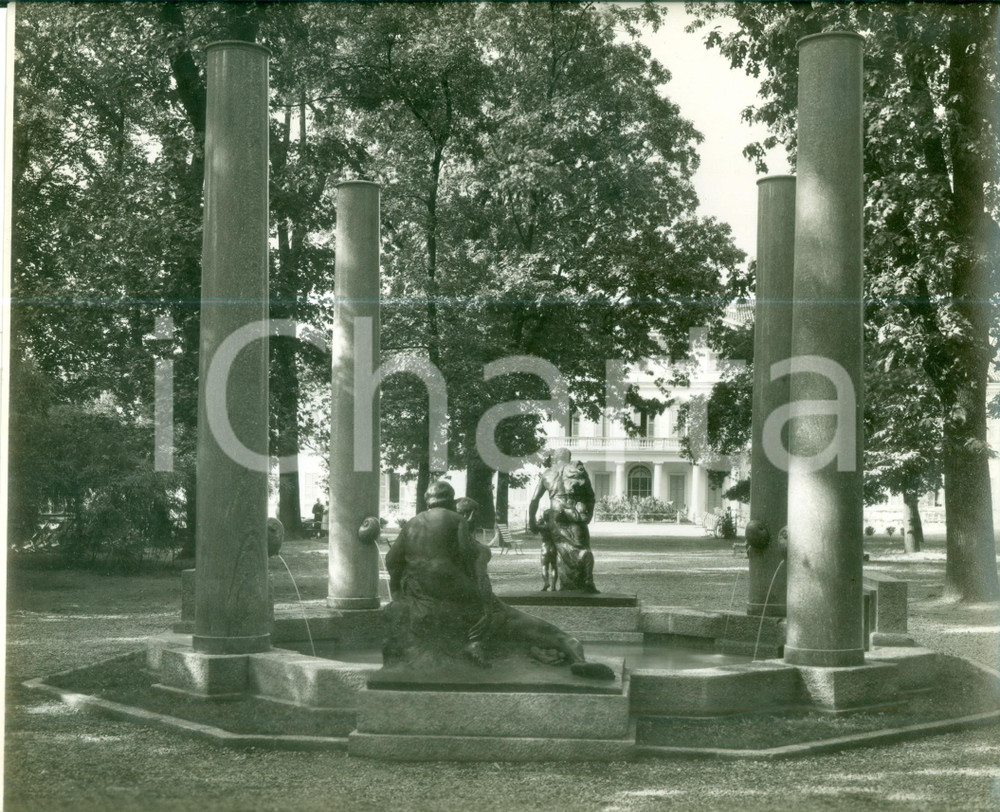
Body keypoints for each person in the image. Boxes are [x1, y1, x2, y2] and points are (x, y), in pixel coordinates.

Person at [383, 480, 613, 679]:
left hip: (421, 594)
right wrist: (484, 603)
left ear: (427, 502)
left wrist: (397, 594)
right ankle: (573, 652)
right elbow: (470, 560)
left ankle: (524, 647)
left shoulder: (412, 523)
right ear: (452, 503)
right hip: (456, 590)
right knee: (511, 619)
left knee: (510, 623)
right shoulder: (455, 520)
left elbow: (392, 560)